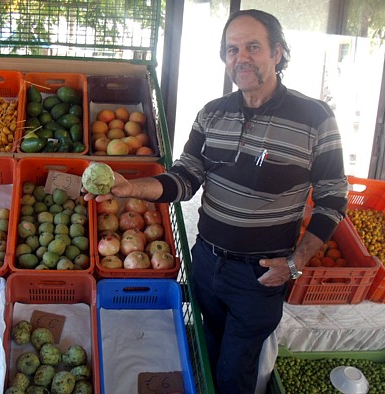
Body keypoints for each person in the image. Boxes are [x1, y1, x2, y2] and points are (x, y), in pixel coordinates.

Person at [83, 9, 348, 394]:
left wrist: (298, 260)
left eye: (253, 47)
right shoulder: (212, 114)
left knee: (233, 373)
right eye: (232, 49)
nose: (241, 57)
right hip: (206, 262)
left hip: (260, 275)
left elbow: (332, 198)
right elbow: (184, 179)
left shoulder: (315, 118)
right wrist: (128, 188)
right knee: (205, 348)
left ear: (277, 52)